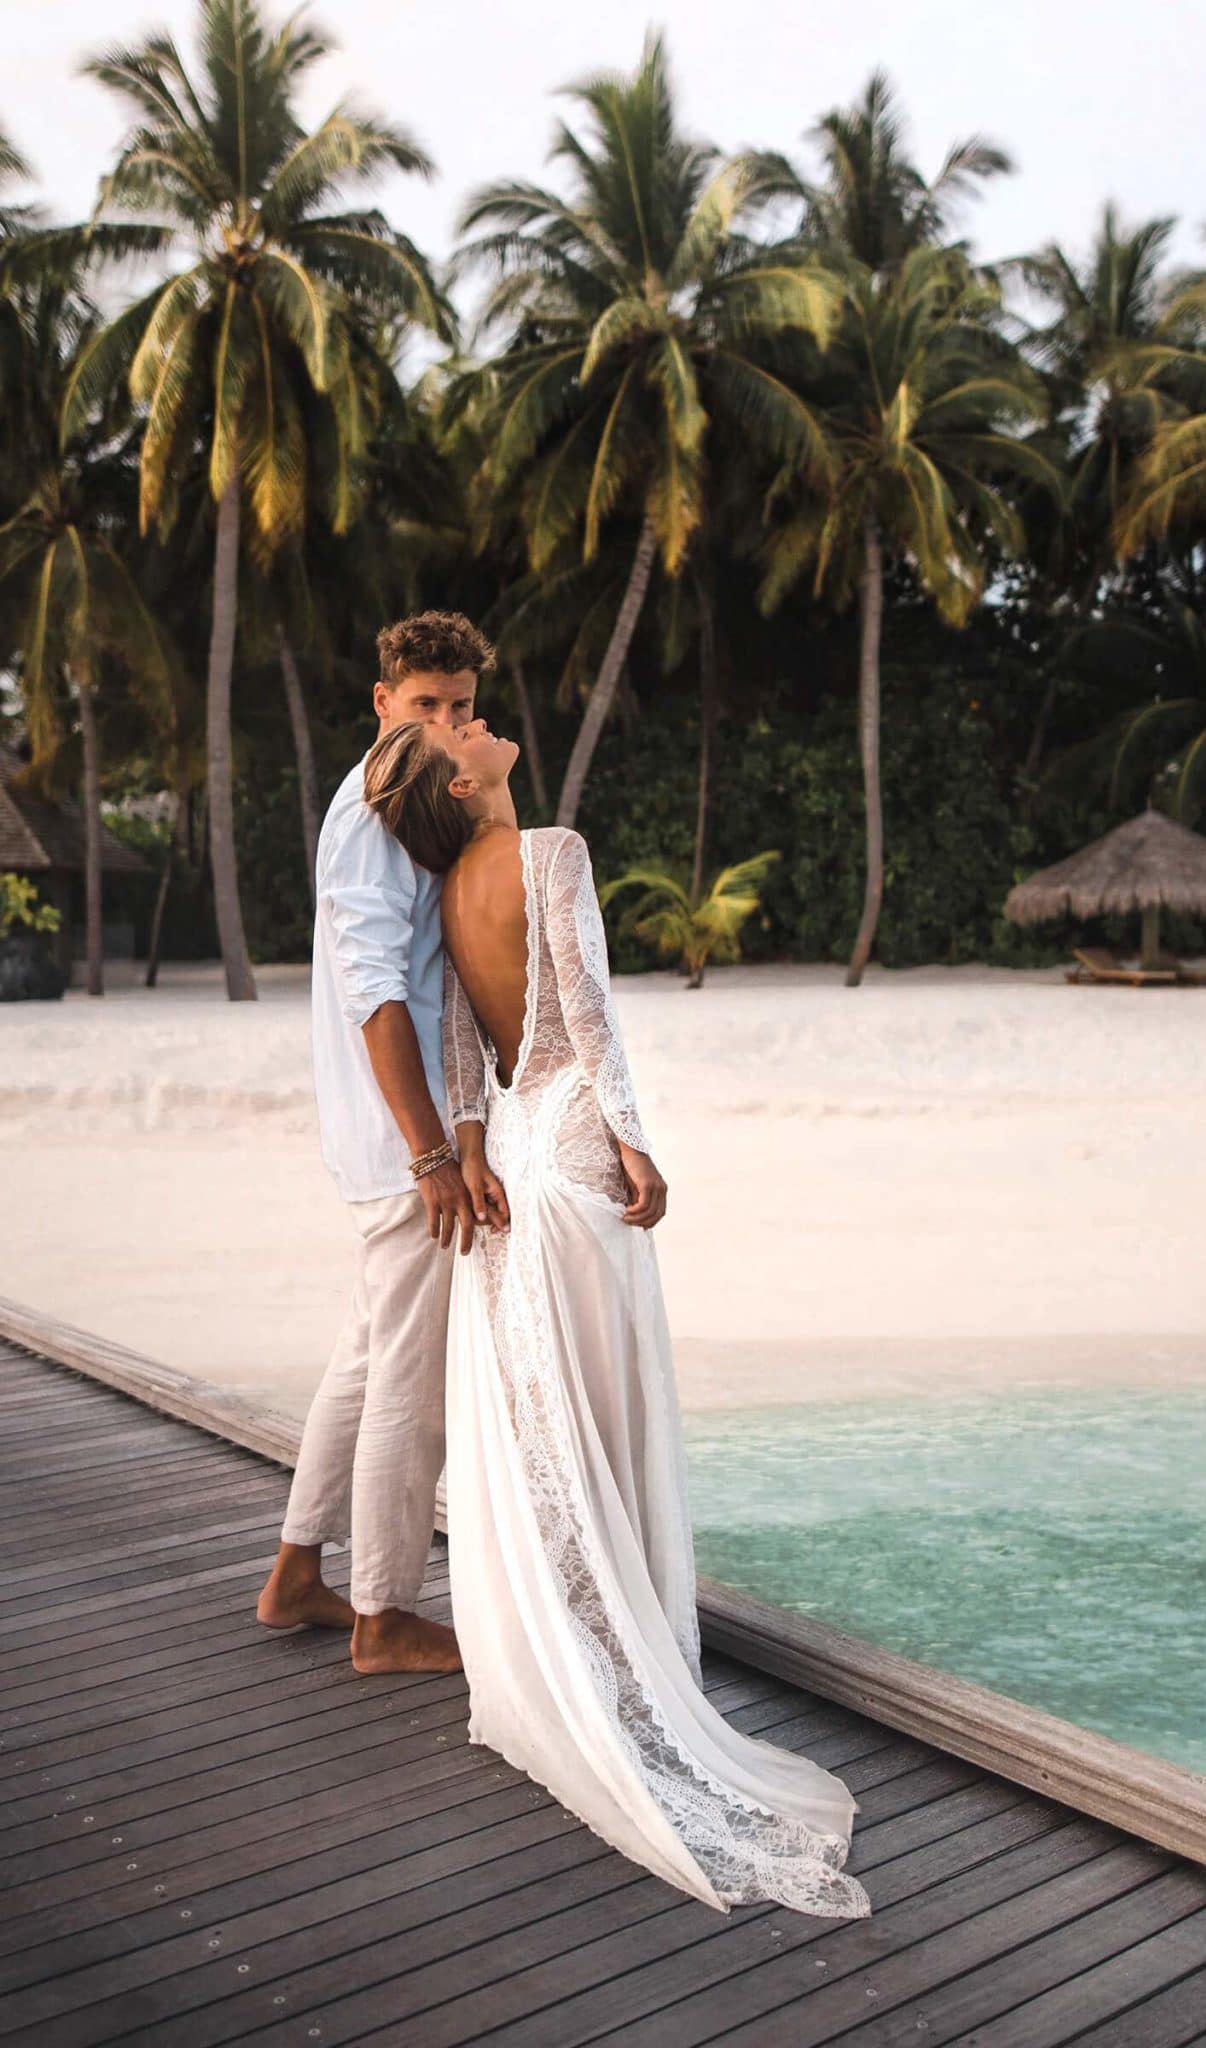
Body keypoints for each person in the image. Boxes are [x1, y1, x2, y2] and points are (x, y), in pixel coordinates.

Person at [363, 715, 871, 1918]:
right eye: (461, 729)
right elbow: (588, 1016)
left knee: (552, 1429)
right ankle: (636, 1664)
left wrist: (472, 1150)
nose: (477, 725)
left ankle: (577, 1656)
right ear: (462, 779)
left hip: (512, 1172)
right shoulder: (552, 851)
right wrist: (641, 1146)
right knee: (611, 1403)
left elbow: (458, 1052)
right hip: (580, 1154)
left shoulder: (443, 900)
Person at [255, 611, 497, 1675]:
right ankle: (385, 1613)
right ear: (383, 702)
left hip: (390, 1136)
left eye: (461, 705)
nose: (445, 724)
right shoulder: (376, 812)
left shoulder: (413, 800)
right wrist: (434, 1152)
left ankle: (296, 1572)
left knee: (364, 1355)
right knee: (411, 1377)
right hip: (405, 1143)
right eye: (426, 703)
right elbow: (378, 991)